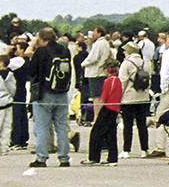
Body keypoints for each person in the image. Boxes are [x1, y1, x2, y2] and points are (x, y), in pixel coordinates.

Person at [26, 27, 74, 167]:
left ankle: (41, 157)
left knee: (42, 126)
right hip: (61, 92)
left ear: (41, 39)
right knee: (61, 126)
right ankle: (64, 157)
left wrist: (33, 45)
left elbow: (31, 71)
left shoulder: (41, 51)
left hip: (44, 93)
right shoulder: (65, 50)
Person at [117, 41, 152, 158]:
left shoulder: (126, 63)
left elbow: (122, 81)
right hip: (143, 97)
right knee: (142, 124)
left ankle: (126, 150)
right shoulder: (145, 63)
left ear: (129, 51)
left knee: (127, 125)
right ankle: (144, 149)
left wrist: (118, 97)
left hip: (129, 98)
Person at [85, 59, 122, 164]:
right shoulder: (118, 80)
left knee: (96, 132)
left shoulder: (108, 81)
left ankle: (94, 157)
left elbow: (103, 97)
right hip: (115, 109)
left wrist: (98, 109)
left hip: (107, 108)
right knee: (111, 134)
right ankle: (112, 158)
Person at [0, 52, 14, 156]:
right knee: (6, 126)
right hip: (8, 102)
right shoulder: (11, 74)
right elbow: (13, 89)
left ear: (1, 63)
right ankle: (4, 147)